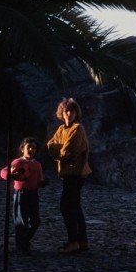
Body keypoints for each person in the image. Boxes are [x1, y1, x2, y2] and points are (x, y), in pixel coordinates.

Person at [47, 97, 91, 254]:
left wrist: (58, 152)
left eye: (71, 111)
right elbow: (51, 144)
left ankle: (73, 241)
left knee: (67, 207)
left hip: (76, 173)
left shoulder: (77, 129)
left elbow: (68, 152)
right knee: (75, 206)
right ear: (61, 113)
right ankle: (82, 241)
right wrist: (59, 151)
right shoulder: (61, 129)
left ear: (76, 112)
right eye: (66, 111)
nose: (69, 114)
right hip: (67, 173)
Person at [0, 137, 46, 255]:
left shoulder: (37, 165)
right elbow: (4, 172)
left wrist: (43, 183)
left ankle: (24, 241)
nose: (31, 149)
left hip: (34, 195)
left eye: (34, 148)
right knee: (21, 222)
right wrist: (10, 175)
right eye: (28, 147)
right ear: (22, 149)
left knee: (35, 222)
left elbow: (39, 180)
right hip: (21, 195)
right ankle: (21, 247)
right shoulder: (18, 163)